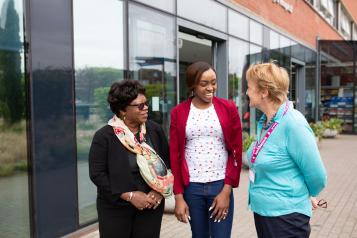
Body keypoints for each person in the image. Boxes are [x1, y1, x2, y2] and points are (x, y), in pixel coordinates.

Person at [245, 62, 327, 238]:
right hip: (264, 212)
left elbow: (318, 176)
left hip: (286, 218)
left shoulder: (293, 123)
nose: (246, 92)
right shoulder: (266, 122)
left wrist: (306, 194)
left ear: (264, 92)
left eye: (249, 88)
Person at [89, 80, 171, 238]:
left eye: (145, 103)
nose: (146, 108)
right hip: (116, 209)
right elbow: (97, 174)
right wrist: (130, 196)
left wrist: (158, 192)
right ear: (122, 110)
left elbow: (167, 164)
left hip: (150, 206)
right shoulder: (104, 136)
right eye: (140, 105)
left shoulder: (154, 130)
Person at [169, 61, 242, 238]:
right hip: (192, 188)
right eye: (204, 84)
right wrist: (178, 196)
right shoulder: (178, 112)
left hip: (220, 184)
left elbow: (236, 152)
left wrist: (226, 190)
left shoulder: (228, 108)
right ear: (192, 85)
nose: (211, 88)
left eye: (214, 82)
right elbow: (175, 155)